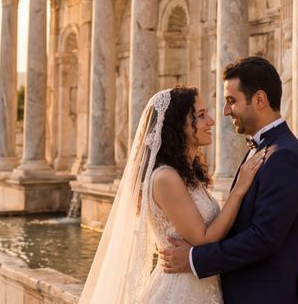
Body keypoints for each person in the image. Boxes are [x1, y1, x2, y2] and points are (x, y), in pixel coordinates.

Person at [79, 86, 266, 303]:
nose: (211, 121)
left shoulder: (185, 174)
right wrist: (238, 190)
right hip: (180, 292)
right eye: (201, 116)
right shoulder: (165, 178)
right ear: (178, 126)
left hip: (200, 285)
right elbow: (203, 238)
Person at [159, 56, 298, 304]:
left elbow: (263, 238)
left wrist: (193, 259)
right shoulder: (264, 148)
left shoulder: (284, 156)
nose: (224, 111)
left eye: (232, 101)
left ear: (260, 100)